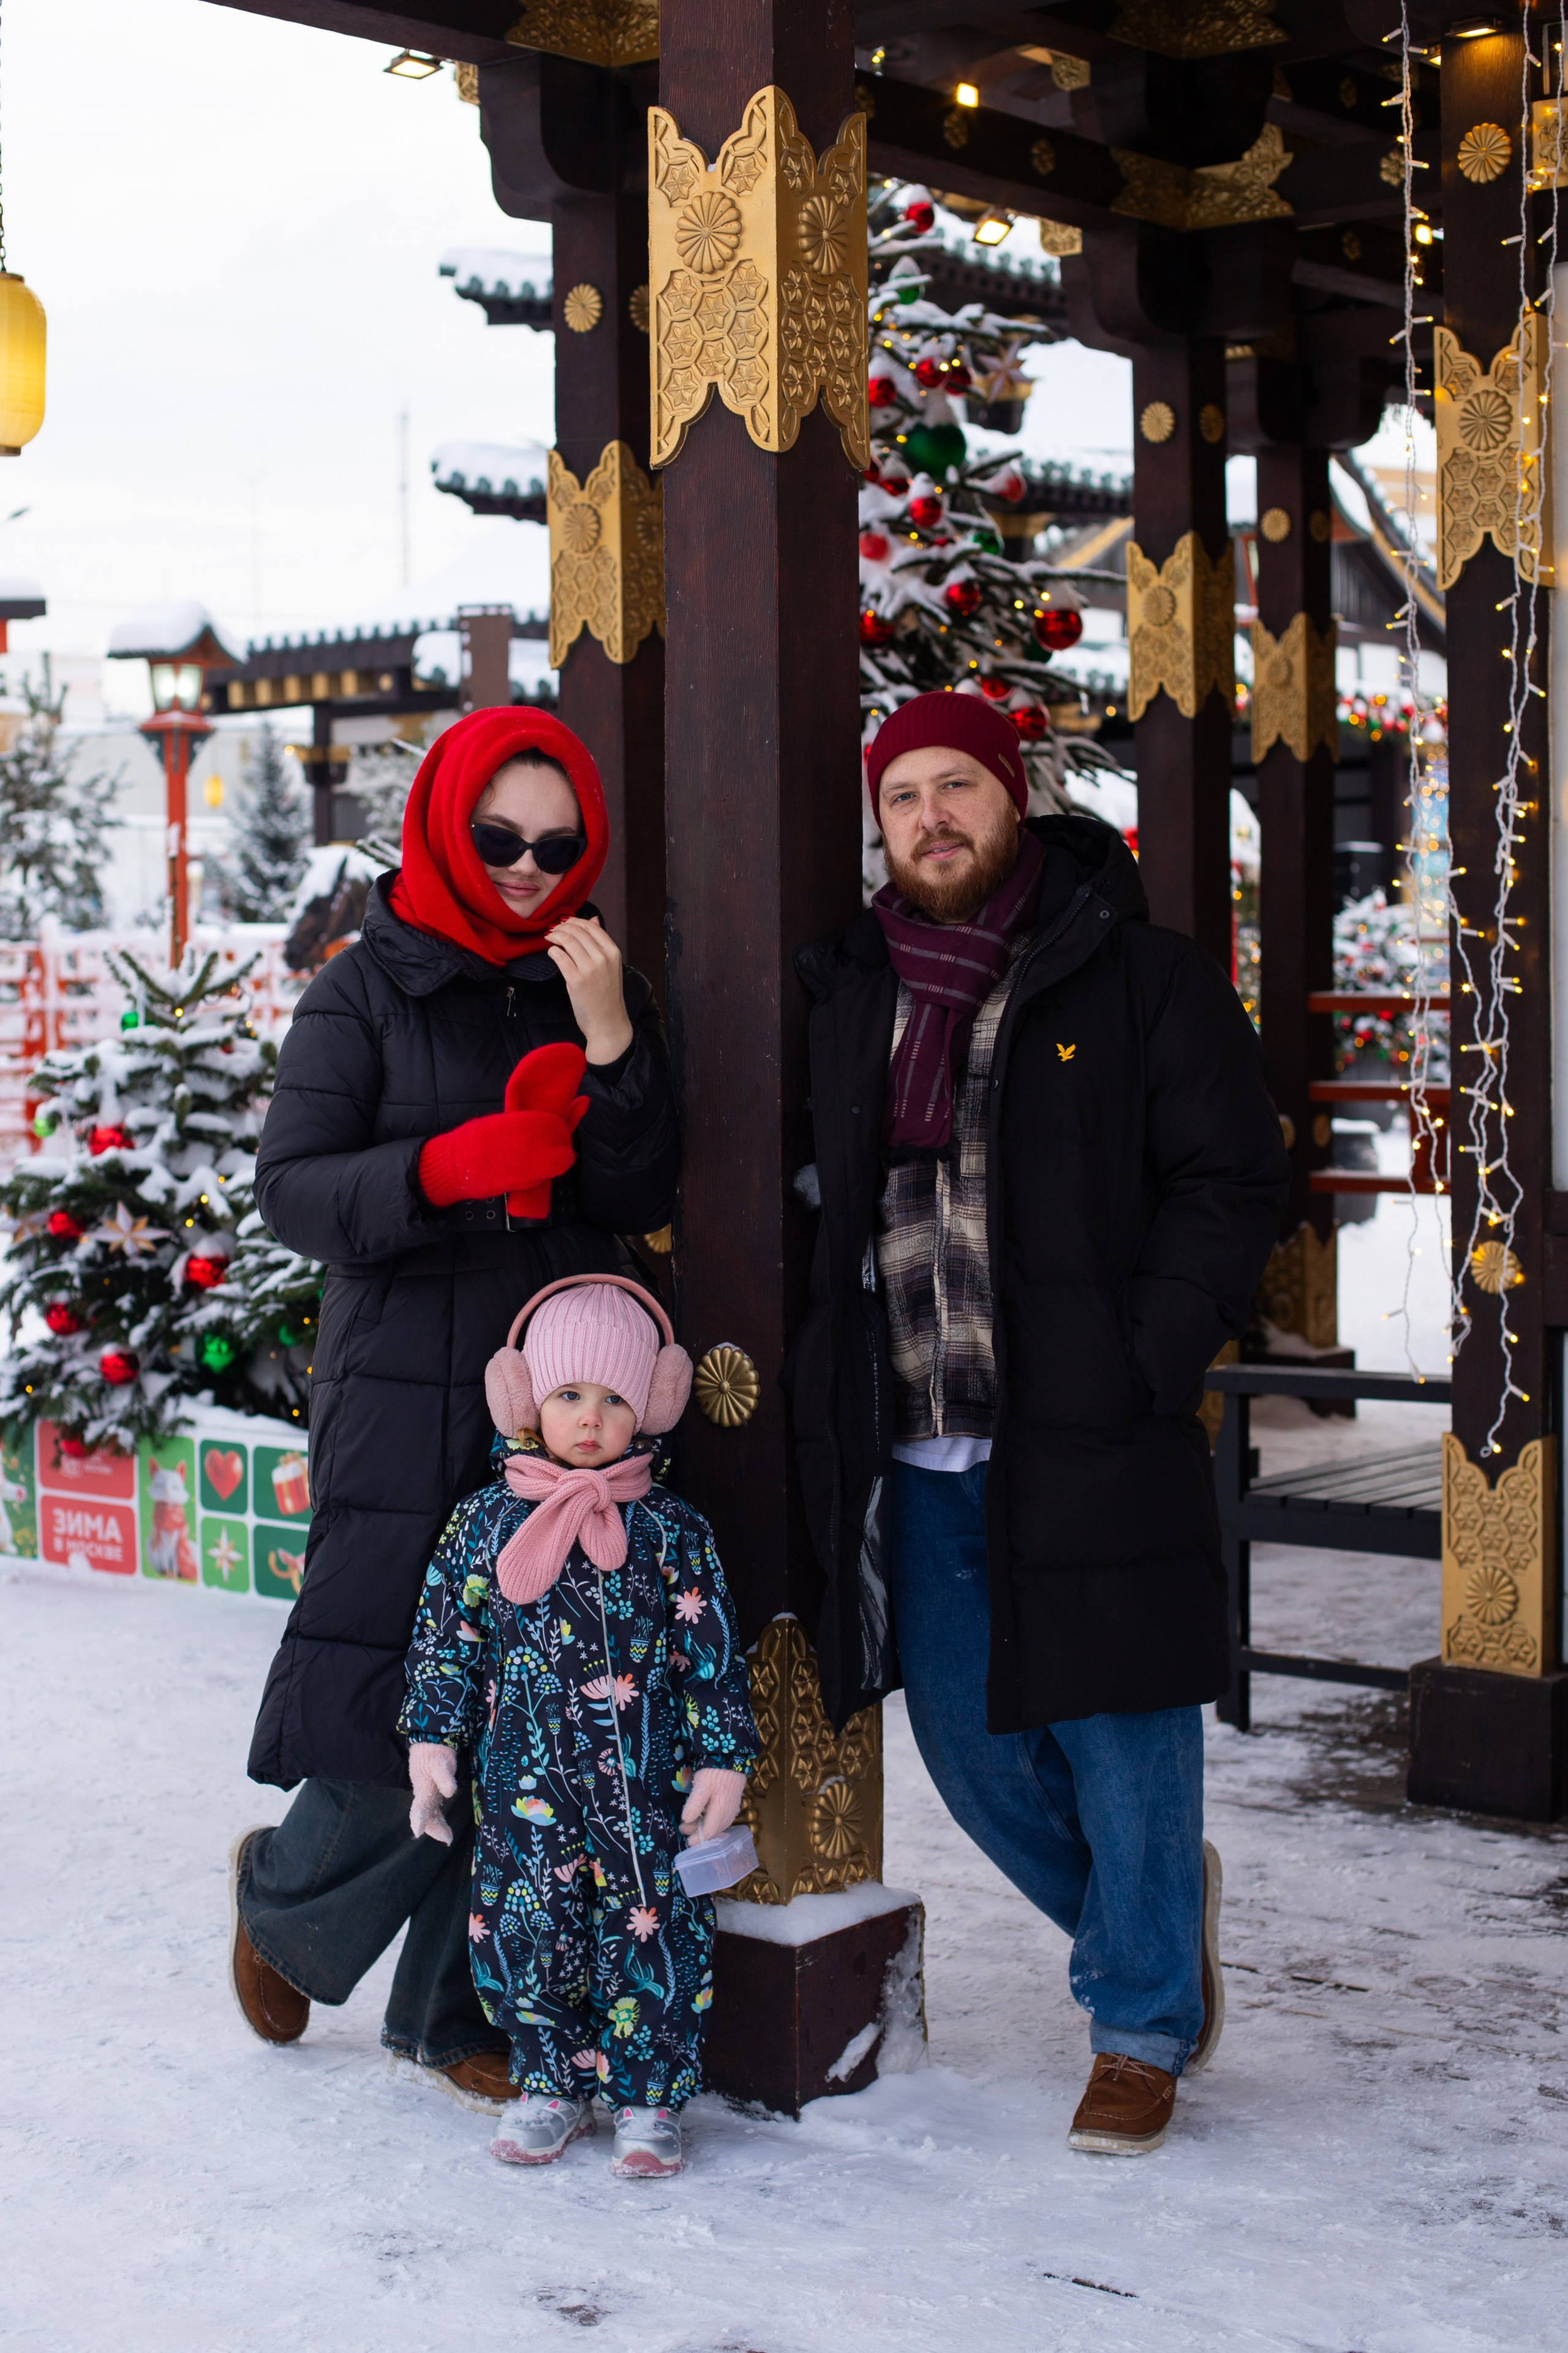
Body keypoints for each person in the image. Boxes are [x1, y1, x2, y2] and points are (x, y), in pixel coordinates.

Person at [786, 690, 1291, 2156]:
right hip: (919, 1439)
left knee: (1123, 1731)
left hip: (1084, 1423)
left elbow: (1230, 1180)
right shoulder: (849, 991)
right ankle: (1146, 1914)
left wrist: (1142, 1354)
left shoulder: (1138, 979)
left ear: (1016, 798)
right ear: (879, 826)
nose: (930, 817)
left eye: (958, 787)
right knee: (968, 1748)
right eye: (903, 797)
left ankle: (1137, 2023)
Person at [228, 708, 680, 2110]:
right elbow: (294, 1190)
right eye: (500, 839)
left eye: (559, 844)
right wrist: (438, 1167)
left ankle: (451, 2012)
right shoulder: (362, 990)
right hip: (402, 1379)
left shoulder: (592, 976)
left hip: (557, 1398)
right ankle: (285, 1902)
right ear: (443, 827)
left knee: (527, 1703)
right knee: (388, 1685)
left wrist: (610, 1044)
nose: (531, 867)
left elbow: (639, 1188)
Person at [399, 1271, 757, 2178]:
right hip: (526, 1789)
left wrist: (723, 1755)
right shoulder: (484, 1524)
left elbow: (708, 1650)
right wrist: (432, 1740)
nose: (590, 1417)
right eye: (567, 1395)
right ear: (526, 1401)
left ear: (653, 1404)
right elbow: (448, 1637)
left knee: (656, 1930)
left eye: (613, 1397)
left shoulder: (673, 1530)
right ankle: (548, 2078)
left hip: (647, 1787)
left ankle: (648, 2094)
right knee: (527, 1927)